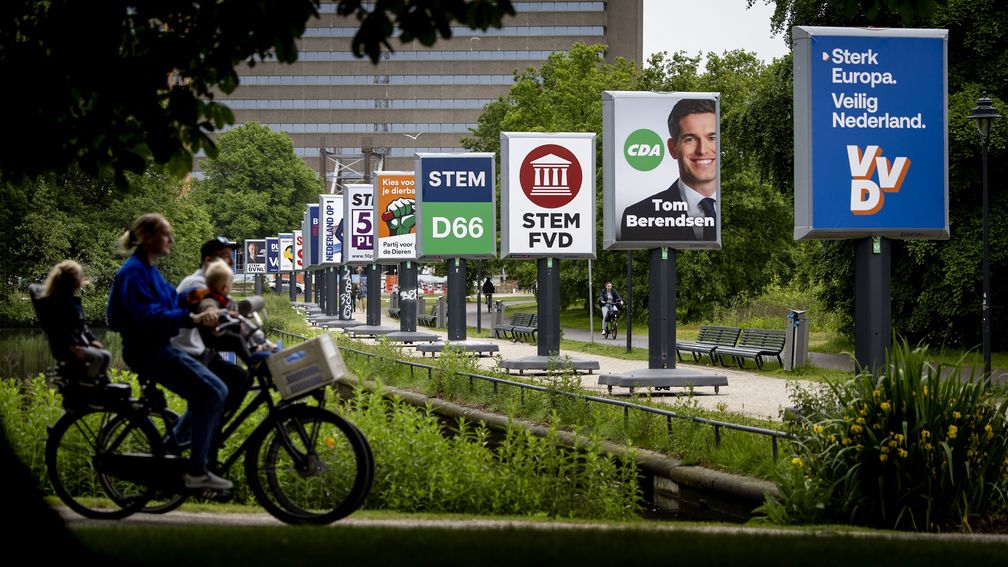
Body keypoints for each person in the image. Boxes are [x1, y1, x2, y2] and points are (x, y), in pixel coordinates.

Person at [107, 213, 232, 491]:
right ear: (149, 238)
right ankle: (197, 470)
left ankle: (182, 453)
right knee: (212, 393)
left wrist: (208, 300)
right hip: (148, 351)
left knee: (217, 392)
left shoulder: (149, 270)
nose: (171, 240)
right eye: (166, 234)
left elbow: (174, 300)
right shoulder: (133, 272)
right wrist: (192, 319)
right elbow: (149, 315)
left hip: (159, 347)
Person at [173, 237, 253, 431]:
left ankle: (211, 426)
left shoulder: (214, 283)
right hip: (184, 351)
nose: (232, 262)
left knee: (239, 378)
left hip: (200, 348)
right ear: (209, 261)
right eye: (226, 257)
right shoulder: (197, 284)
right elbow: (207, 308)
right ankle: (204, 431)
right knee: (210, 397)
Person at [619, 98, 718, 242]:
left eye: (712, 138)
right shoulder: (639, 216)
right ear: (673, 148)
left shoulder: (747, 208)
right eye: (690, 139)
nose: (702, 150)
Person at [36, 260, 111, 379]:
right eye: (81, 276)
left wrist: (91, 340)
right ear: (76, 282)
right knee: (100, 358)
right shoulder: (59, 304)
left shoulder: (73, 302)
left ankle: (100, 383)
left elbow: (82, 327)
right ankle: (87, 382)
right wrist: (72, 347)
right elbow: (59, 329)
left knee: (106, 355)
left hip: (78, 345)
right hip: (69, 349)